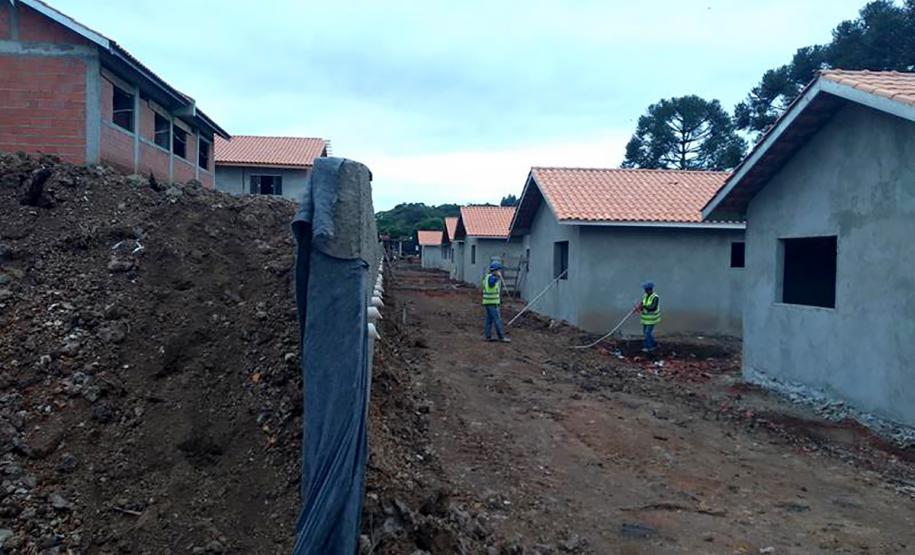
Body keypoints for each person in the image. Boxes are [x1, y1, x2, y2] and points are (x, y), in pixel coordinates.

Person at [482, 262, 511, 343]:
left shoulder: (487, 277)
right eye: (499, 270)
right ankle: (501, 337)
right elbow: (491, 284)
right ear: (495, 270)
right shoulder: (492, 278)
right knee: (497, 320)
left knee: (489, 319)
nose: (500, 271)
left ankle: (487, 336)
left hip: (487, 302)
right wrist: (497, 277)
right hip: (492, 303)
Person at [636, 281, 661, 352]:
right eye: (645, 290)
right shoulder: (645, 296)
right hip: (645, 319)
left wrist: (643, 306)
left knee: (647, 333)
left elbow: (653, 308)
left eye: (647, 290)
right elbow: (642, 304)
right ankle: (654, 344)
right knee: (645, 333)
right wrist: (639, 308)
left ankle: (650, 347)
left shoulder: (655, 297)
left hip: (652, 319)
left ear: (651, 289)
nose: (646, 291)